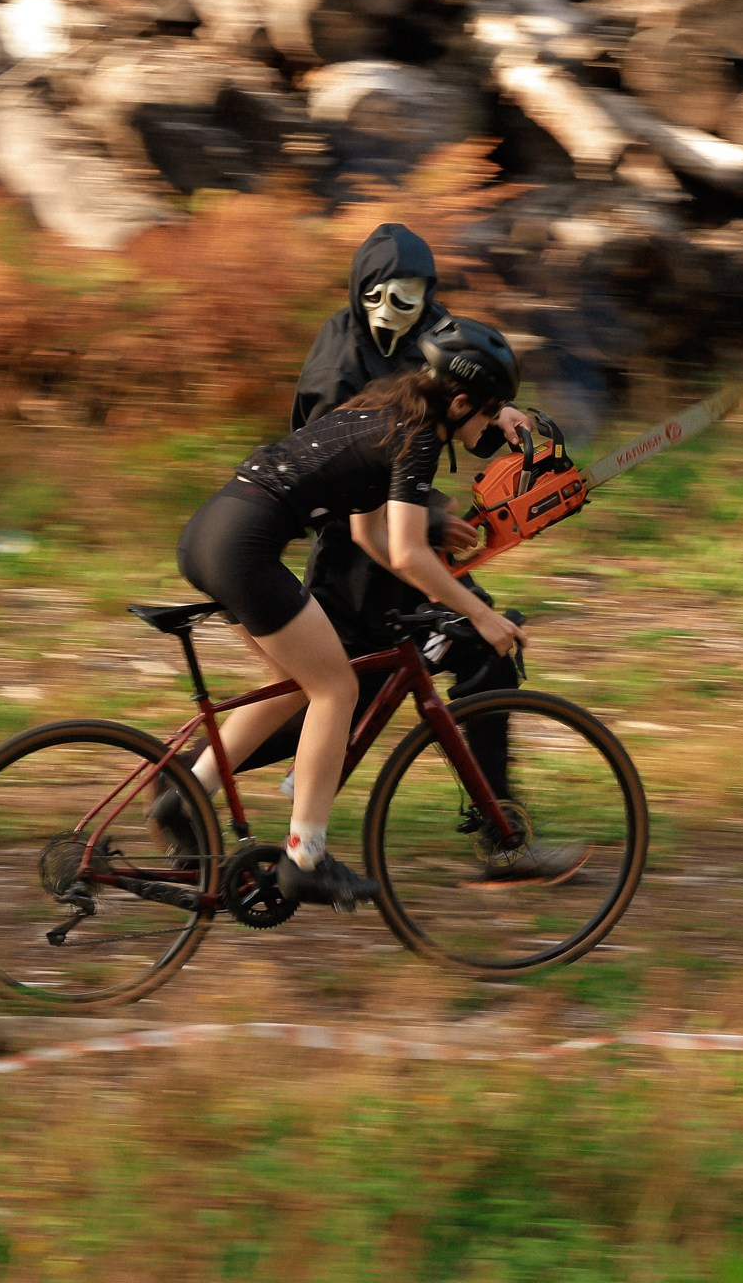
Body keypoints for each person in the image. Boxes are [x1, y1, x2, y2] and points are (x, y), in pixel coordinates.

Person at [167, 318, 527, 908]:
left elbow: (373, 541)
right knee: (336, 689)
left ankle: (184, 794)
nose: (486, 428)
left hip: (210, 532)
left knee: (292, 685)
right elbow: (410, 550)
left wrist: (443, 600)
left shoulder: (385, 409)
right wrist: (481, 617)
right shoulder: (420, 437)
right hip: (245, 548)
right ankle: (304, 858)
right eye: (488, 415)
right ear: (460, 403)